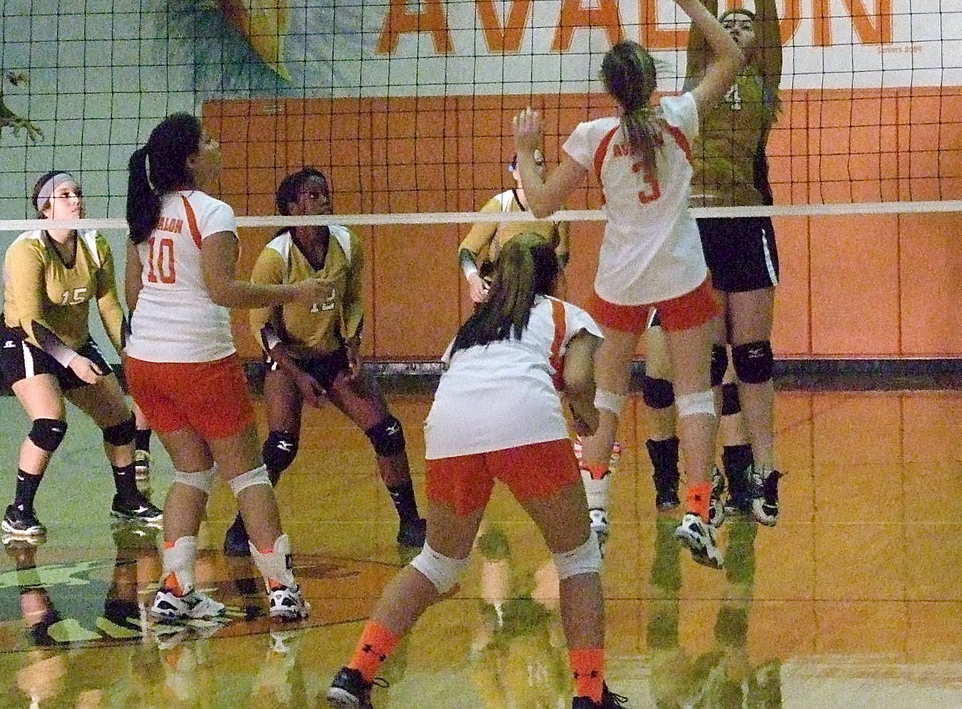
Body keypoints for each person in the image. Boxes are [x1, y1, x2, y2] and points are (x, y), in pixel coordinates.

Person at [512, 0, 745, 569]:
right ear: (652, 80)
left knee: (609, 396)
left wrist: (527, 149)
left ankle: (595, 508)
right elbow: (733, 58)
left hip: (620, 279)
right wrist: (690, 2)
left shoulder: (593, 135)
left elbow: (537, 205)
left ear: (609, 89)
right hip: (681, 272)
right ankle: (697, 510)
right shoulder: (679, 116)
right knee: (696, 394)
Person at [326, 234, 623, 709]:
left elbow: (456, 380)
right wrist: (587, 418)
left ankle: (356, 673)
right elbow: (579, 379)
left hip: (450, 427)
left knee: (438, 562)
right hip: (525, 420)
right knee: (577, 559)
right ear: (554, 275)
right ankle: (589, 693)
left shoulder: (471, 327)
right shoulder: (567, 314)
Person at [123, 111, 330, 622]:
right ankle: (283, 591)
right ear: (191, 159)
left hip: (145, 362)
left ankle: (175, 589)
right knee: (248, 474)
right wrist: (297, 290)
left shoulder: (146, 212)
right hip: (199, 361)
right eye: (209, 141)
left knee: (191, 471)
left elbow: (134, 294)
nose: (219, 146)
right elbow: (223, 290)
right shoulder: (212, 213)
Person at [642, 0, 784, 526]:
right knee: (710, 361)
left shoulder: (764, 79)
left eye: (744, 23)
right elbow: (704, 27)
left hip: (747, 221)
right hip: (698, 222)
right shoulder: (707, 78)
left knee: (753, 356)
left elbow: (771, 23)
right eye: (727, 21)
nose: (737, 26)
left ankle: (762, 473)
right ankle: (708, 484)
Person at [221, 167, 426, 556]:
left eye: (325, 193)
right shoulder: (275, 257)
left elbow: (351, 301)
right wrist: (296, 375)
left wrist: (352, 342)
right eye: (312, 196)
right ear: (292, 208)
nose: (323, 200)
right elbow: (260, 325)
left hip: (332, 355)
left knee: (388, 432)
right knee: (281, 446)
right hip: (287, 357)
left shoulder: (347, 243)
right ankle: (240, 528)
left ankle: (411, 524)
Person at [0, 171, 163, 540]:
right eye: (64, 195)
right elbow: (30, 320)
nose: (75, 200)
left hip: (75, 340)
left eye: (78, 193)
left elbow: (109, 306)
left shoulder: (94, 243)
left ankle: (127, 500)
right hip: (26, 340)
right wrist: (71, 361)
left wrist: (132, 353)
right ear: (45, 209)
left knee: (120, 421)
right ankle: (18, 511)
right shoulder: (27, 250)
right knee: (50, 421)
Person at [459, 151, 570, 304]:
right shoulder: (500, 205)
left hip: (536, 295)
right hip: (498, 292)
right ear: (515, 173)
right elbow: (467, 250)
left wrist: (548, 281)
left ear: (545, 169)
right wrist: (473, 278)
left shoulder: (557, 208)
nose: (531, 170)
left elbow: (561, 255)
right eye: (525, 164)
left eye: (538, 163)